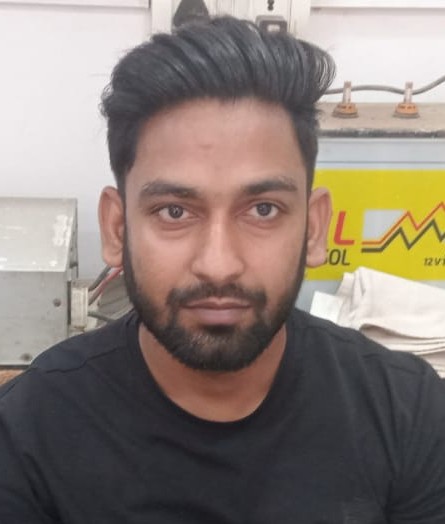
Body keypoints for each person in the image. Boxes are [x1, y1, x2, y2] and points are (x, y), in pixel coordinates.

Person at [1, 16, 444, 524]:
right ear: (118, 228)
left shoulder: (408, 413)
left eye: (263, 210)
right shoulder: (29, 432)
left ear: (314, 227)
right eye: (174, 211)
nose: (218, 264)